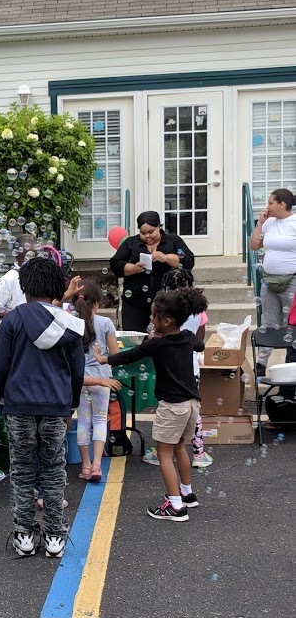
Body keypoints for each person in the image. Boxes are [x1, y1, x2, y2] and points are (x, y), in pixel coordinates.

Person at [0, 257, 85, 558]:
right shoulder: (70, 323)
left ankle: (24, 535)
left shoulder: (12, 320)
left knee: (23, 471)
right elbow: (77, 372)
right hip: (56, 407)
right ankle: (55, 537)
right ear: (57, 287)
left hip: (19, 408)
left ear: (23, 286)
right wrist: (70, 408)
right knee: (54, 472)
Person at [95, 290, 206, 522]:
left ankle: (175, 507)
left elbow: (129, 356)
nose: (150, 320)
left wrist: (103, 359)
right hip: (192, 404)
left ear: (166, 321)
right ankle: (187, 494)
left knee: (164, 453)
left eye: (154, 316)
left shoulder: (156, 345)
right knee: (180, 447)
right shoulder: (186, 336)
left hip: (172, 406)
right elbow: (200, 346)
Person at [142, 268, 213, 469]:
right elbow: (200, 337)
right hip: (191, 365)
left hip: (169, 365)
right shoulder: (197, 311)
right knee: (192, 410)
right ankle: (199, 453)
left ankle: (162, 450)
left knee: (168, 408)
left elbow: (156, 335)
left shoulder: (165, 311)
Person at [68, 280, 122, 482]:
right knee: (100, 420)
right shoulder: (106, 323)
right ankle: (98, 465)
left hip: (79, 380)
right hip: (102, 379)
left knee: (82, 421)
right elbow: (115, 355)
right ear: (97, 304)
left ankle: (85, 465)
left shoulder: (70, 322)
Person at [110, 211, 195, 333]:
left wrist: (165, 258)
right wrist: (133, 268)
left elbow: (188, 261)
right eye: (143, 233)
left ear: (159, 227)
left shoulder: (173, 240)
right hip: (135, 303)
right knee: (136, 339)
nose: (147, 236)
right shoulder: (131, 243)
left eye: (151, 232)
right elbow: (115, 263)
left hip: (166, 304)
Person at [250, 188, 296, 376]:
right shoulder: (268, 223)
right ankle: (261, 364)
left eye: (270, 203)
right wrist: (260, 223)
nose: (267, 206)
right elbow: (254, 245)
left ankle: (289, 365)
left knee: (290, 325)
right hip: (269, 281)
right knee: (268, 324)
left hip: (292, 280)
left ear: (282, 204)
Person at [0, 236, 81, 318]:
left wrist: (67, 294)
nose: (32, 259)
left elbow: (46, 306)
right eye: (27, 256)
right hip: (16, 334)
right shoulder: (9, 279)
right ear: (16, 256)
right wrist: (18, 318)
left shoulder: (40, 274)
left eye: (35, 255)